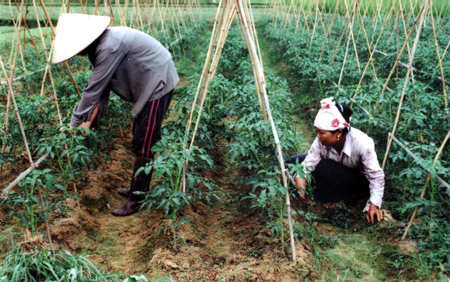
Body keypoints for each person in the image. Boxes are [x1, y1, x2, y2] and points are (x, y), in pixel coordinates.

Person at [52, 14, 179, 216]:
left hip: (157, 82)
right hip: (147, 80)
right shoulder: (100, 47)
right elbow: (101, 91)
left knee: (144, 140)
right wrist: (88, 124)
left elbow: (92, 91)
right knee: (140, 136)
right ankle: (137, 188)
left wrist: (73, 125)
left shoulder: (109, 46)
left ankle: (137, 198)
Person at [291, 97, 385, 224]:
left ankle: (349, 199)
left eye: (321, 132)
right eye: (317, 132)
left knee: (324, 166)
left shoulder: (362, 143)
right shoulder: (321, 141)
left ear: (338, 132)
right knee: (294, 161)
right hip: (338, 173)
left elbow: (376, 176)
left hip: (358, 182)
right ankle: (319, 193)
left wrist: (374, 205)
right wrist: (301, 189)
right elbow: (307, 164)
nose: (318, 136)